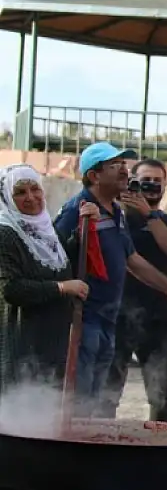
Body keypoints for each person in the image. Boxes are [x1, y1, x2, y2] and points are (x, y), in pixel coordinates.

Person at [54, 143, 167, 416]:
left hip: (112, 317)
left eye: (124, 164)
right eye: (116, 166)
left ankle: (98, 449)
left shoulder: (114, 213)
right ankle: (75, 451)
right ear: (94, 176)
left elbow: (133, 260)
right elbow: (54, 257)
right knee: (84, 396)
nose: (124, 171)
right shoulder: (77, 210)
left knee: (99, 395)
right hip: (87, 318)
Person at [105, 158, 167, 422]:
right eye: (145, 181)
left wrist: (149, 215)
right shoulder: (114, 220)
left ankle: (161, 454)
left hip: (159, 320)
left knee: (161, 397)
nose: (152, 187)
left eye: (157, 181)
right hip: (116, 318)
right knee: (106, 395)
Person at [0, 165, 86, 390]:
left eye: (34, 189)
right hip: (21, 344)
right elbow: (10, 289)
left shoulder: (46, 230)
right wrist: (61, 288)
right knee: (18, 417)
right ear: (7, 197)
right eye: (20, 192)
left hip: (51, 343)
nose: (31, 197)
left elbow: (62, 267)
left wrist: (83, 233)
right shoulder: (5, 234)